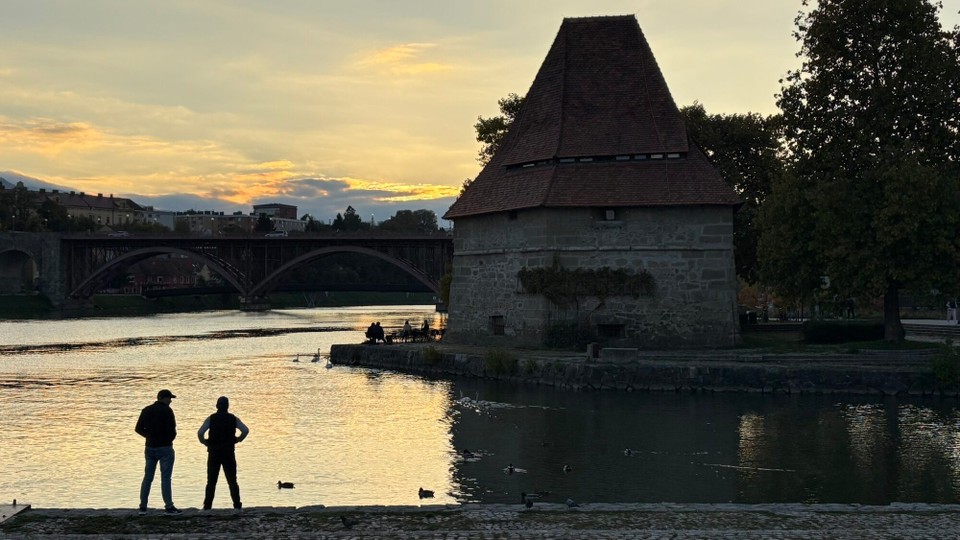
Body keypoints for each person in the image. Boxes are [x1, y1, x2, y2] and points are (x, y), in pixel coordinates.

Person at [197, 396, 249, 512]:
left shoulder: (211, 418)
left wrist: (205, 443)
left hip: (214, 452)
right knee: (232, 481)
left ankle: (207, 506)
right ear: (227, 406)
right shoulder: (233, 419)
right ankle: (237, 505)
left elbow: (200, 433)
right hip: (229, 452)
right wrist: (238, 439)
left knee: (211, 481)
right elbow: (245, 430)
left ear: (217, 406)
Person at [135, 389, 181, 515]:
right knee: (165, 478)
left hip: (150, 447)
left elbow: (138, 428)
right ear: (163, 398)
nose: (170, 401)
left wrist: (149, 437)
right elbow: (172, 430)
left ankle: (143, 507)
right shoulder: (167, 411)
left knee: (148, 477)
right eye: (169, 398)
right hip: (165, 447)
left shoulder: (146, 410)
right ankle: (169, 507)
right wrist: (168, 440)